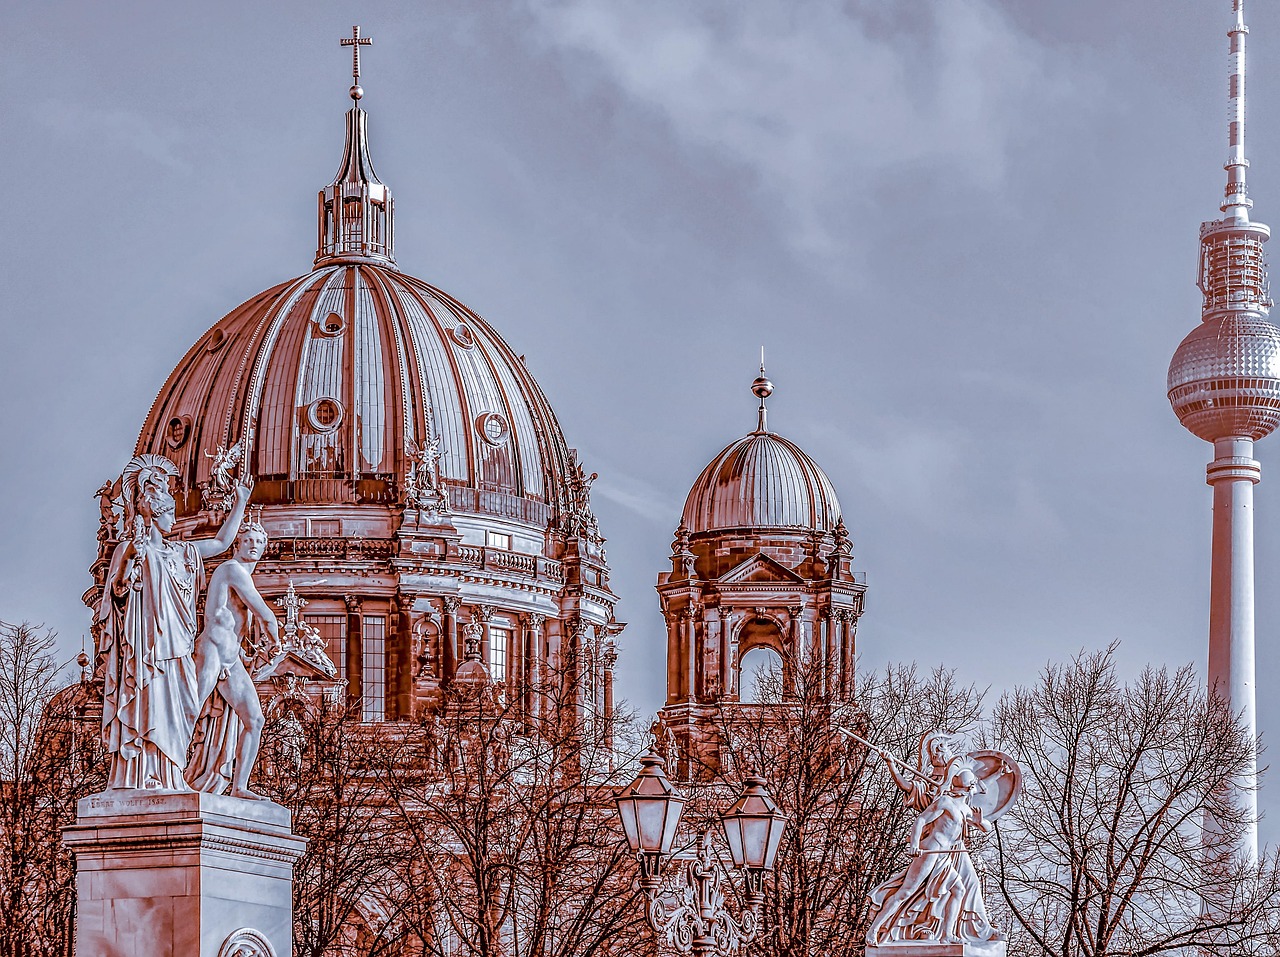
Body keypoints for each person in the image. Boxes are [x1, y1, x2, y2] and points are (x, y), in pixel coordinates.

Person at [98, 454, 251, 790]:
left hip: (178, 645)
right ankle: (143, 774)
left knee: (177, 712)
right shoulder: (131, 548)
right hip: (147, 648)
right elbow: (118, 592)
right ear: (154, 514)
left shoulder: (182, 552)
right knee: (149, 707)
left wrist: (240, 501)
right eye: (169, 514)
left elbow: (222, 543)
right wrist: (131, 560)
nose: (174, 520)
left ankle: (168, 774)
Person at [185, 516, 279, 799]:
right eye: (247, 540)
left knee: (255, 720)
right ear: (237, 544)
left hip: (230, 657)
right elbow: (265, 613)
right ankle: (167, 770)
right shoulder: (231, 569)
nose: (253, 545)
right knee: (190, 709)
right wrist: (275, 641)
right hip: (212, 649)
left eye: (259, 541)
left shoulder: (242, 574)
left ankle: (239, 787)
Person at [866, 768, 1002, 945]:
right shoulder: (946, 802)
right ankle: (873, 930)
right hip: (931, 850)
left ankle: (947, 935)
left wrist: (979, 822)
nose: (974, 789)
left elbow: (986, 827)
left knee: (958, 890)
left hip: (944, 856)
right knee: (905, 892)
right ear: (968, 788)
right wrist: (914, 844)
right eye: (972, 786)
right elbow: (921, 820)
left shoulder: (966, 809)